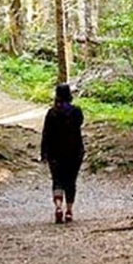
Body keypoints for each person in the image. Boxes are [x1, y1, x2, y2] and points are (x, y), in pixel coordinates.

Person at [40, 83, 84, 224]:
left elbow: (45, 134)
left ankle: (58, 207)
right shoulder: (76, 112)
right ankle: (69, 211)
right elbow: (80, 124)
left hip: (55, 153)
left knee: (57, 180)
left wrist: (44, 152)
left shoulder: (51, 113)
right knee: (71, 181)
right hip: (74, 152)